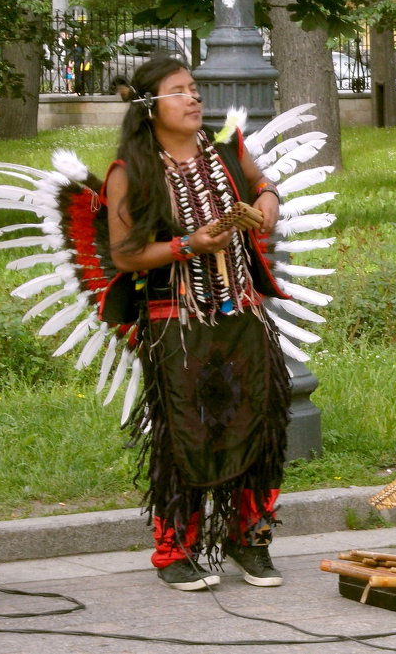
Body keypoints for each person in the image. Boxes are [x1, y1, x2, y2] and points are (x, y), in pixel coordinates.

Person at [104, 56, 291, 589]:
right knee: (184, 433)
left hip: (242, 309)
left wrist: (268, 205)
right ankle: (174, 551)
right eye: (179, 91)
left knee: (261, 420)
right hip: (175, 321)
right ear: (148, 106)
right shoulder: (130, 171)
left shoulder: (227, 146)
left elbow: (263, 184)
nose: (193, 99)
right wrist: (188, 244)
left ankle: (248, 538)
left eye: (194, 89)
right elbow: (125, 255)